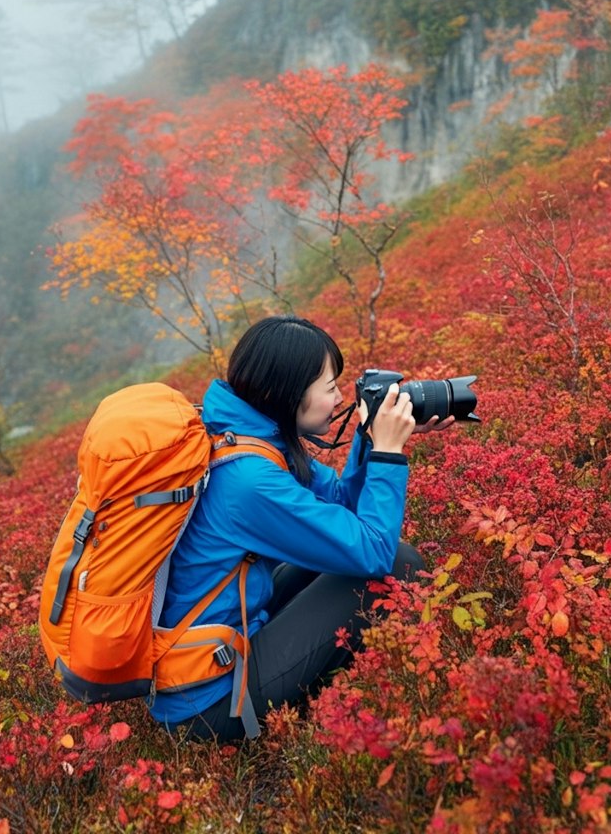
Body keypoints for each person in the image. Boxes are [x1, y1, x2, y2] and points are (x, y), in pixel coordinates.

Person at [149, 315, 453, 742]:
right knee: (395, 565)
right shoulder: (250, 482)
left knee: (347, 559)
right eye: (330, 388)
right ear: (285, 394)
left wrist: (369, 438)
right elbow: (373, 551)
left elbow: (341, 507)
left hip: (215, 651)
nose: (338, 398)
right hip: (209, 701)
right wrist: (388, 454)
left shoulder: (247, 439)